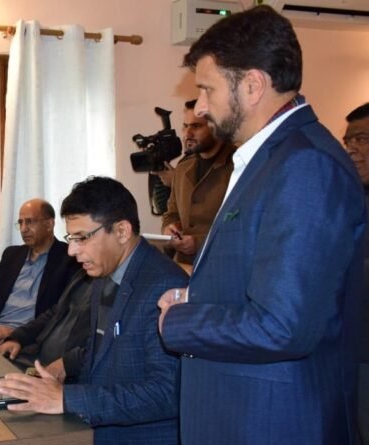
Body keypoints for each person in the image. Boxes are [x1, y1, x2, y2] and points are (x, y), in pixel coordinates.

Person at [157, 6, 366, 445]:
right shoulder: (269, 159)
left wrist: (179, 321)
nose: (200, 106)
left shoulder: (306, 166)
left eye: (207, 89)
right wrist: (196, 295)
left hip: (273, 423)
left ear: (252, 85)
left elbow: (281, 326)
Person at [0, 177, 188, 444]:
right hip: (94, 425)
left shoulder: (165, 286)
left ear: (121, 231)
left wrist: (67, 399)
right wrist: (54, 388)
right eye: (71, 238)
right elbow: (100, 352)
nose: (72, 251)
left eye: (82, 238)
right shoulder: (104, 273)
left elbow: (166, 393)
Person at [0, 199, 79, 346]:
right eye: (20, 223)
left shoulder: (70, 258)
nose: (23, 229)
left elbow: (60, 310)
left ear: (49, 224)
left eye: (29, 222)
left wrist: (13, 333)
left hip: (25, 339)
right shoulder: (12, 255)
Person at [162, 99, 235, 265]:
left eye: (196, 126)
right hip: (183, 268)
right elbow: (171, 214)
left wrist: (199, 243)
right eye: (185, 126)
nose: (187, 134)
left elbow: (242, 228)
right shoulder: (183, 168)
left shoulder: (238, 166)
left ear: (215, 126)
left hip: (222, 267)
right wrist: (169, 229)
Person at [0, 267, 92, 383]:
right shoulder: (81, 274)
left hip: (67, 377)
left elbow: (101, 349)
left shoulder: (110, 290)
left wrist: (68, 364)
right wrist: (17, 338)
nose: (73, 255)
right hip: (36, 360)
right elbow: (54, 312)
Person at [345, 102, 369, 444]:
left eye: (361, 138)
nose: (351, 149)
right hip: (354, 349)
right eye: (347, 140)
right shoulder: (351, 198)